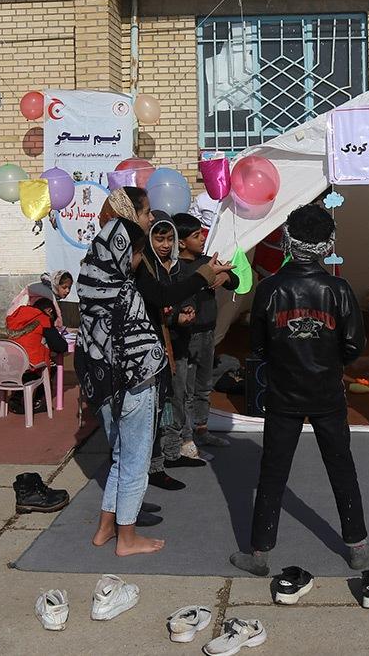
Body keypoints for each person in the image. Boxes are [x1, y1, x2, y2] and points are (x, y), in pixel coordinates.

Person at [230, 204, 369, 577]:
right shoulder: (338, 289)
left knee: (272, 473)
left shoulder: (269, 289)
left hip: (282, 393)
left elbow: (258, 347)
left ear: (286, 240)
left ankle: (259, 554)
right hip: (327, 393)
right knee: (341, 468)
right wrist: (329, 361)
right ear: (328, 243)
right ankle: (357, 547)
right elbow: (354, 345)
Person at [74, 187, 169, 556]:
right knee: (135, 463)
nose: (137, 259)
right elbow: (141, 344)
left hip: (107, 386)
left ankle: (104, 529)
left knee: (117, 457)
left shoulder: (93, 288)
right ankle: (127, 539)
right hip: (135, 385)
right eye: (136, 253)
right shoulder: (126, 294)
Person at [133, 210, 230, 480]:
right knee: (170, 399)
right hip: (155, 346)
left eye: (168, 239)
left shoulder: (171, 266)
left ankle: (172, 453)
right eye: (158, 238)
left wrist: (180, 314)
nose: (165, 244)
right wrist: (180, 312)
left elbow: (173, 301)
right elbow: (160, 300)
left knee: (181, 394)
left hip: (176, 340)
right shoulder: (147, 267)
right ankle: (162, 459)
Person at [171, 212, 237, 453]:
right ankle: (185, 437)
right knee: (184, 389)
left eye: (202, 233)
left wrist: (226, 276)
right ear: (181, 241)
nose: (202, 239)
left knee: (203, 385)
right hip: (185, 336)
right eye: (196, 235)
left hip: (207, 333)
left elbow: (236, 282)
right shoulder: (174, 267)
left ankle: (202, 429)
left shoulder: (208, 262)